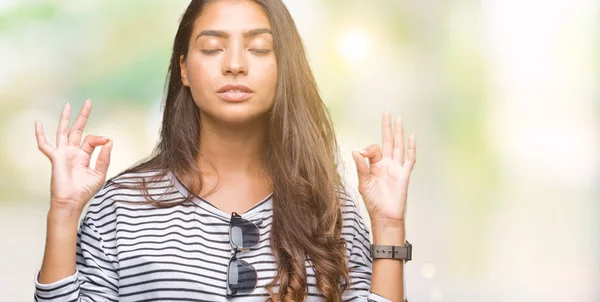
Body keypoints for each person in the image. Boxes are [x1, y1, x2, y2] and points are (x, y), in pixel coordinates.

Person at [32, 0, 416, 301]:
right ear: (184, 69)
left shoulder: (330, 212)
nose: (235, 65)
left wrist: (389, 224)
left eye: (259, 48)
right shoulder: (119, 207)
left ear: (285, 69)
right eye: (213, 48)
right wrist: (64, 212)